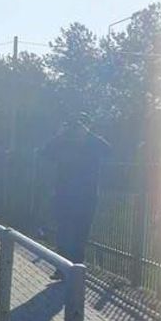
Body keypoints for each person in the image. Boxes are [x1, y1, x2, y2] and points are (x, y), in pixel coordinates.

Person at [40, 114, 111, 279]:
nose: (76, 131)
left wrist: (88, 134)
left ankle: (77, 269)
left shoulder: (93, 143)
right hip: (64, 195)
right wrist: (60, 135)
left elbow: (108, 150)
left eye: (81, 126)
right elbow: (45, 152)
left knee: (81, 233)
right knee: (63, 232)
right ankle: (62, 267)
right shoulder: (63, 142)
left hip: (86, 196)